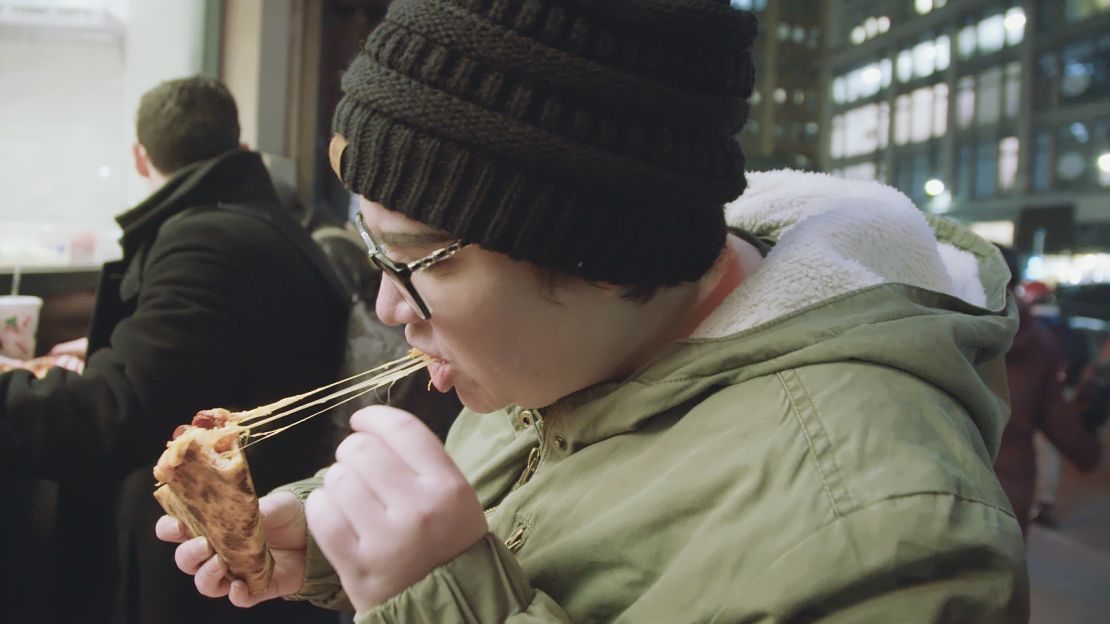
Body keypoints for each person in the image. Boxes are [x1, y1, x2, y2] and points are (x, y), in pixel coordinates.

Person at [160, 2, 1028, 621]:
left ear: (600, 257)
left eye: (419, 258)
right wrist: (337, 541)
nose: (390, 304)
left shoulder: (886, 533)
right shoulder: (564, 353)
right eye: (371, 248)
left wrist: (441, 600)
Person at [0, 76, 349, 624]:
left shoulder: (205, 239)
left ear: (141, 159)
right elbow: (184, 359)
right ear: (239, 146)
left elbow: (115, 411)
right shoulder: (260, 222)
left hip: (212, 567)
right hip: (259, 532)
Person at [992, 247, 1102, 536]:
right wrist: (1090, 441)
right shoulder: (1038, 343)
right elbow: (1060, 423)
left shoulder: (934, 334)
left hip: (936, 493)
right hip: (1006, 503)